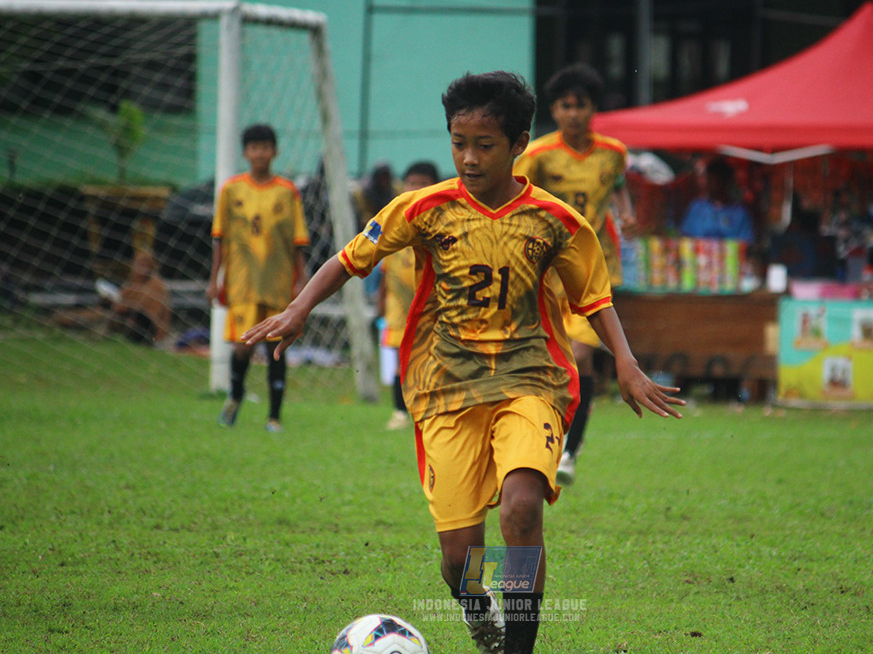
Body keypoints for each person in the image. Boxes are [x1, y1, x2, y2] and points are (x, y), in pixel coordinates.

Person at [243, 71, 685, 654]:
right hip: (447, 387)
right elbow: (349, 259)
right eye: (458, 143)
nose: (469, 158)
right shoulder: (424, 208)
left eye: (484, 145)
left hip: (532, 377)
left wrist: (625, 363)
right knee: (458, 559)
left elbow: (595, 299)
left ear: (519, 144)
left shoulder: (556, 221)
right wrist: (299, 307)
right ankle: (479, 613)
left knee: (523, 509)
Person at [513, 62, 637, 486]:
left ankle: (568, 452)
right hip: (545, 273)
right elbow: (516, 196)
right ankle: (550, 440)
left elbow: (617, 185)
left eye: (581, 105)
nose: (573, 114)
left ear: (593, 109)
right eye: (565, 106)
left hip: (593, 269)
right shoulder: (538, 156)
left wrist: (627, 213)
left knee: (581, 355)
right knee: (553, 361)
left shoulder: (614, 152)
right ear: (555, 110)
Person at [206, 123, 309, 434]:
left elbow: (298, 241)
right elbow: (220, 238)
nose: (260, 153)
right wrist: (214, 280)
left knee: (276, 347)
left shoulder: (287, 191)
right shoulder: (231, 190)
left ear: (274, 151)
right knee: (243, 346)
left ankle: (274, 416)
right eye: (254, 147)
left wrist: (302, 281)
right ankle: (236, 395)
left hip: (278, 282)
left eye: (265, 147)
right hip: (242, 282)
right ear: (245, 152)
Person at [377, 160, 440, 430]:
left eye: (422, 184)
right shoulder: (395, 223)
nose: (416, 189)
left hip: (432, 309)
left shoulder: (442, 224)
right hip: (398, 308)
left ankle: (428, 410)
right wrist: (380, 303)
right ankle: (399, 412)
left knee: (431, 361)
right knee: (400, 361)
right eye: (411, 183)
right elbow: (384, 271)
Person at [53, 249, 172, 345]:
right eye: (138, 263)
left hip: (145, 333)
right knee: (76, 315)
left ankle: (89, 337)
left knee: (102, 317)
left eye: (145, 263)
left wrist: (126, 307)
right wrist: (109, 301)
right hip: (119, 318)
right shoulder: (133, 283)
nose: (140, 267)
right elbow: (119, 299)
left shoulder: (156, 286)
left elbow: (149, 318)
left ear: (152, 266)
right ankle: (57, 321)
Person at [679, 156, 755, 243]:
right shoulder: (696, 208)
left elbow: (746, 243)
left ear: (726, 182)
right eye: (709, 180)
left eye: (715, 181)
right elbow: (685, 238)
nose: (710, 185)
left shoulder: (739, 213)